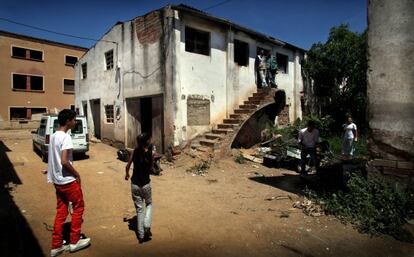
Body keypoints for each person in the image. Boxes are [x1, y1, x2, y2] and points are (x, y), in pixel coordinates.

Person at [48, 109, 90, 257]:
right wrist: (76, 174)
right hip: (67, 181)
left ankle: (56, 245)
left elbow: (52, 158)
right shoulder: (65, 137)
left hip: (57, 181)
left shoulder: (53, 136)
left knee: (61, 211)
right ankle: (74, 241)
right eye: (74, 119)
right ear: (68, 121)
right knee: (78, 208)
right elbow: (64, 161)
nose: (75, 121)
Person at [125, 133, 154, 244]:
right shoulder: (151, 153)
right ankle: (147, 225)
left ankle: (141, 236)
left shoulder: (134, 151)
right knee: (149, 204)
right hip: (146, 184)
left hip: (135, 184)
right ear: (147, 141)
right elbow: (151, 168)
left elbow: (127, 166)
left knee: (139, 209)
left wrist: (127, 174)